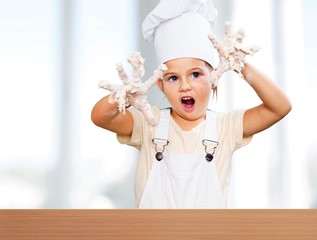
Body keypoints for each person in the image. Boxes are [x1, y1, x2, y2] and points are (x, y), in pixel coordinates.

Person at [91, 0, 291, 209]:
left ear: (213, 76)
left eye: (195, 74)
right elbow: (100, 117)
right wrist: (124, 95)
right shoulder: (149, 122)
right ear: (161, 86)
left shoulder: (226, 127)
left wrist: (240, 66)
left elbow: (279, 107)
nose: (184, 86)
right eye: (173, 78)